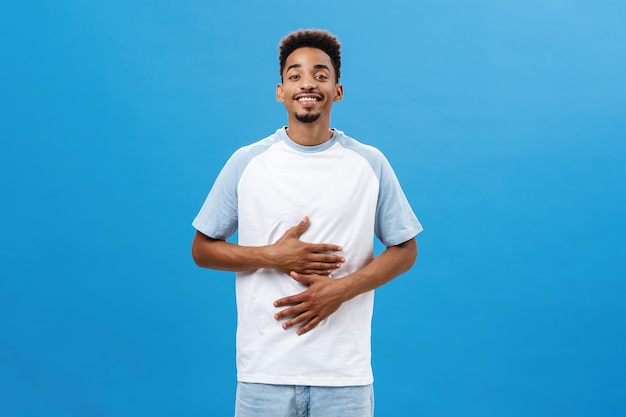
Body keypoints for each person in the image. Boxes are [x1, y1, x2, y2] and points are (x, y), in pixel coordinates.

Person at [191, 28, 422, 417]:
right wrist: (273, 255)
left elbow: (405, 248)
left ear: (338, 90)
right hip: (263, 374)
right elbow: (202, 249)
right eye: (295, 75)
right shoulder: (247, 162)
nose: (307, 83)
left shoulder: (369, 163)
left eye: (321, 73)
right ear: (280, 91)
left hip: (344, 376)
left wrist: (340, 290)